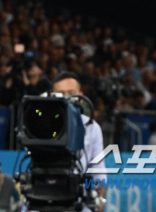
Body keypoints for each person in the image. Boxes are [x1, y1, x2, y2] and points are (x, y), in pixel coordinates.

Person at [51, 71, 106, 212]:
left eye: (71, 93)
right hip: (44, 194)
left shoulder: (91, 127)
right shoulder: (42, 125)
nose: (67, 98)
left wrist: (100, 200)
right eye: (61, 93)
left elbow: (98, 171)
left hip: (80, 201)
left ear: (81, 97)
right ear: (52, 97)